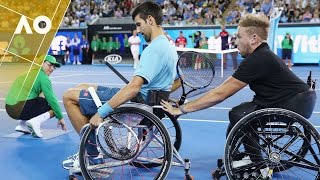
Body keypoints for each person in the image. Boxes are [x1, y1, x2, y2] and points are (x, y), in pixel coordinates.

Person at [161, 14, 316, 174]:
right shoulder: (261, 56)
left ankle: (259, 167)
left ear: (253, 38)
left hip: (295, 103)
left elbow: (220, 94)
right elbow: (221, 89)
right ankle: (247, 157)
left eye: (239, 37)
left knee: (239, 114)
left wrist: (182, 109)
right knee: (242, 110)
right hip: (298, 100)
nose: (235, 42)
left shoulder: (257, 59)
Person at [62, 1, 180, 169]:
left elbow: (133, 88)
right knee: (83, 86)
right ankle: (92, 141)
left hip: (136, 103)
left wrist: (101, 113)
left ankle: (93, 156)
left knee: (69, 97)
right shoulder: (168, 47)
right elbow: (173, 82)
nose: (138, 31)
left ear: (151, 20)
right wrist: (164, 98)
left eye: (139, 24)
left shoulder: (154, 49)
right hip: (146, 101)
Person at [5, 55, 67, 138]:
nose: (52, 68)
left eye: (54, 67)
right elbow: (52, 99)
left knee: (37, 98)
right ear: (41, 63)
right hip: (22, 108)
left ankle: (22, 124)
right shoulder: (43, 77)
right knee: (52, 107)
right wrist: (60, 117)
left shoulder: (26, 73)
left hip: (9, 109)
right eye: (49, 65)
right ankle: (35, 122)